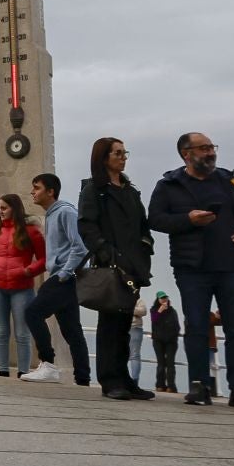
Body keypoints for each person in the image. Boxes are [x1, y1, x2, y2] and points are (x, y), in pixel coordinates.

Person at [147, 133, 234, 410]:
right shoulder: (169, 185)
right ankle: (199, 385)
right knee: (196, 326)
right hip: (192, 269)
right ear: (186, 154)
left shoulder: (230, 181)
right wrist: (187, 220)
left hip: (233, 267)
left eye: (212, 147)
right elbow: (154, 219)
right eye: (203, 148)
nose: (210, 153)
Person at [75, 137, 156, 401]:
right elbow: (87, 225)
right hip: (110, 264)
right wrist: (106, 251)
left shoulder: (131, 191)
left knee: (125, 323)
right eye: (117, 153)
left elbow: (143, 225)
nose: (123, 157)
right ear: (104, 157)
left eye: (124, 153)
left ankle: (125, 379)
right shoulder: (94, 190)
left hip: (133, 265)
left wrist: (145, 248)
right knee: (110, 322)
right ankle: (110, 380)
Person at [21, 174, 89, 385]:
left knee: (32, 312)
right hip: (64, 276)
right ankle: (83, 378)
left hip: (65, 277)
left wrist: (63, 274)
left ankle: (48, 364)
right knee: (71, 329)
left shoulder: (65, 212)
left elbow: (80, 246)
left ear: (51, 191)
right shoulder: (51, 214)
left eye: (37, 188)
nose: (33, 192)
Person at [0, 194, 46, 377]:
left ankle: (23, 372)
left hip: (22, 288)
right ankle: (2, 371)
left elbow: (44, 259)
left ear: (15, 208)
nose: (0, 212)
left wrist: (28, 271)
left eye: (4, 208)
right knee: (0, 331)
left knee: (22, 333)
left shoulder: (31, 231)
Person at [150, 292, 182, 392]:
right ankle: (160, 385)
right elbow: (153, 320)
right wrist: (160, 311)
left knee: (170, 363)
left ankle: (171, 386)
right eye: (162, 298)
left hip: (171, 341)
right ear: (158, 300)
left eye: (165, 298)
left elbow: (177, 326)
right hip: (158, 340)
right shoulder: (154, 310)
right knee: (161, 363)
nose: (164, 300)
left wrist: (173, 336)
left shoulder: (172, 311)